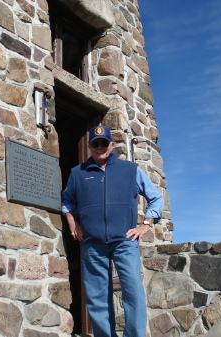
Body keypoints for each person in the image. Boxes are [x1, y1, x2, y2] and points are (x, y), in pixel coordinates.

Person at [62, 125, 164, 337]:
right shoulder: (77, 173)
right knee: (97, 297)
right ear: (90, 146)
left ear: (112, 144)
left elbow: (155, 197)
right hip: (92, 243)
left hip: (125, 242)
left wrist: (145, 224)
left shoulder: (131, 170)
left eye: (104, 143)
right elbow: (67, 200)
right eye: (95, 144)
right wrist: (72, 221)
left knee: (133, 292)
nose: (100, 147)